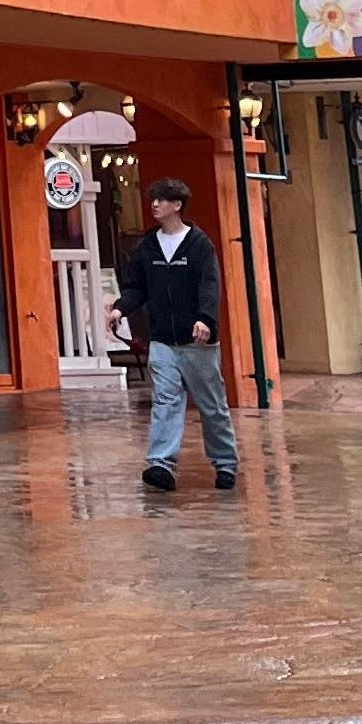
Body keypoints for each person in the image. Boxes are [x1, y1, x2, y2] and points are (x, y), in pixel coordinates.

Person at [118, 174, 237, 491]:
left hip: (198, 342)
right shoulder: (147, 247)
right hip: (162, 341)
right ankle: (161, 464)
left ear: (178, 205)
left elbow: (210, 286)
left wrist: (205, 319)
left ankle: (225, 463)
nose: (155, 204)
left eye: (162, 199)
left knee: (212, 406)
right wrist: (119, 309)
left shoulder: (199, 246)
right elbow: (136, 287)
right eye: (153, 199)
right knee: (165, 401)